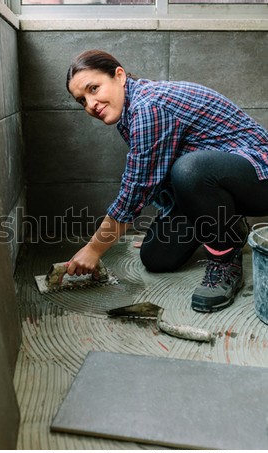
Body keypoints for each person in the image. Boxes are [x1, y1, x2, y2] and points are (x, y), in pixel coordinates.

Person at [65, 49, 268, 313]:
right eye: (82, 100)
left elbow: (136, 189)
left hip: (260, 176)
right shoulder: (130, 113)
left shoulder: (149, 106)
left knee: (190, 169)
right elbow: (158, 177)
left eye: (94, 88)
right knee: (156, 256)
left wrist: (94, 249)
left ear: (119, 76)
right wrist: (165, 218)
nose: (91, 103)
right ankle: (228, 225)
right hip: (218, 186)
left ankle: (225, 263)